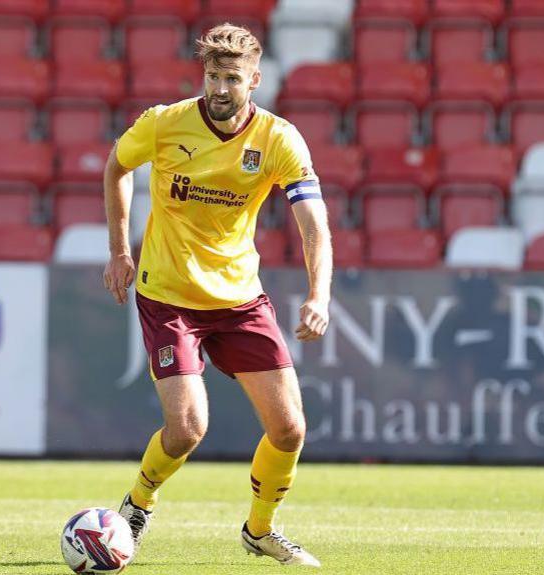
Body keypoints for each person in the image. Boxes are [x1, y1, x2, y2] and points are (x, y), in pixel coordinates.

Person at [101, 23, 332, 568]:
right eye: (212, 76)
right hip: (169, 296)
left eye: (232, 78)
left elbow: (313, 223)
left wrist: (319, 294)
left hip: (238, 299)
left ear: (255, 80)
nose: (220, 88)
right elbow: (117, 167)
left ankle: (260, 531)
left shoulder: (278, 139)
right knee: (186, 431)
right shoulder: (164, 123)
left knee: (290, 427)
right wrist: (119, 250)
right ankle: (138, 503)